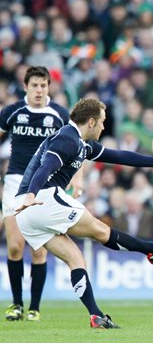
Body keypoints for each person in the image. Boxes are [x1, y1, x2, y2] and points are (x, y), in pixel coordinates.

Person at [14, 97, 153, 328]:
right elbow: (47, 166)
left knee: (76, 259)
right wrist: (32, 194)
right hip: (40, 199)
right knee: (100, 230)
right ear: (92, 122)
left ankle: (96, 316)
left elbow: (120, 156)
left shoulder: (82, 143)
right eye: (103, 122)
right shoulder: (66, 138)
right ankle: (152, 248)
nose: (105, 127)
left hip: (27, 215)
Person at [0, 66, 76, 322]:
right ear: (26, 87)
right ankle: (16, 304)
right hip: (14, 182)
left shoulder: (60, 115)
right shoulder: (12, 113)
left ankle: (35, 307)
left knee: (39, 250)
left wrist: (79, 178)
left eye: (43, 85)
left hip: (44, 185)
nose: (39, 90)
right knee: (14, 246)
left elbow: (77, 149)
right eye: (35, 85)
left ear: (49, 87)